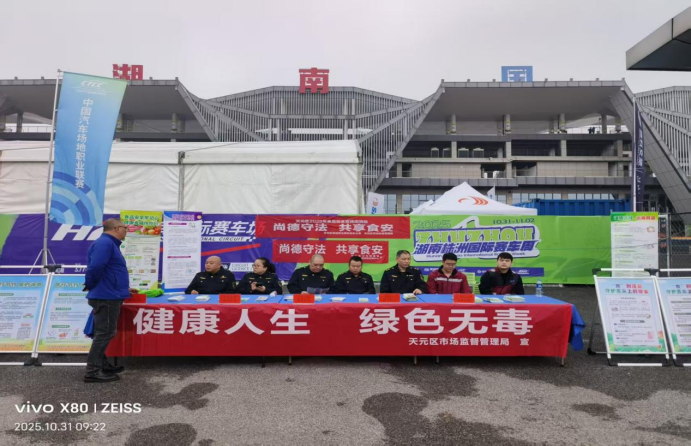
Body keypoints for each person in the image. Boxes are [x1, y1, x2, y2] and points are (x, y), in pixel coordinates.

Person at [83, 218, 138, 383]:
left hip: (110, 294)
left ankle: (102, 364)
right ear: (116, 228)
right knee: (104, 333)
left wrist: (123, 289)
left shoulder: (109, 244)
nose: (127, 230)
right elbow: (95, 267)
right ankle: (93, 371)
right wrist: (91, 285)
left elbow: (109, 272)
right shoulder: (105, 243)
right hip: (106, 296)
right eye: (125, 228)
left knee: (104, 332)